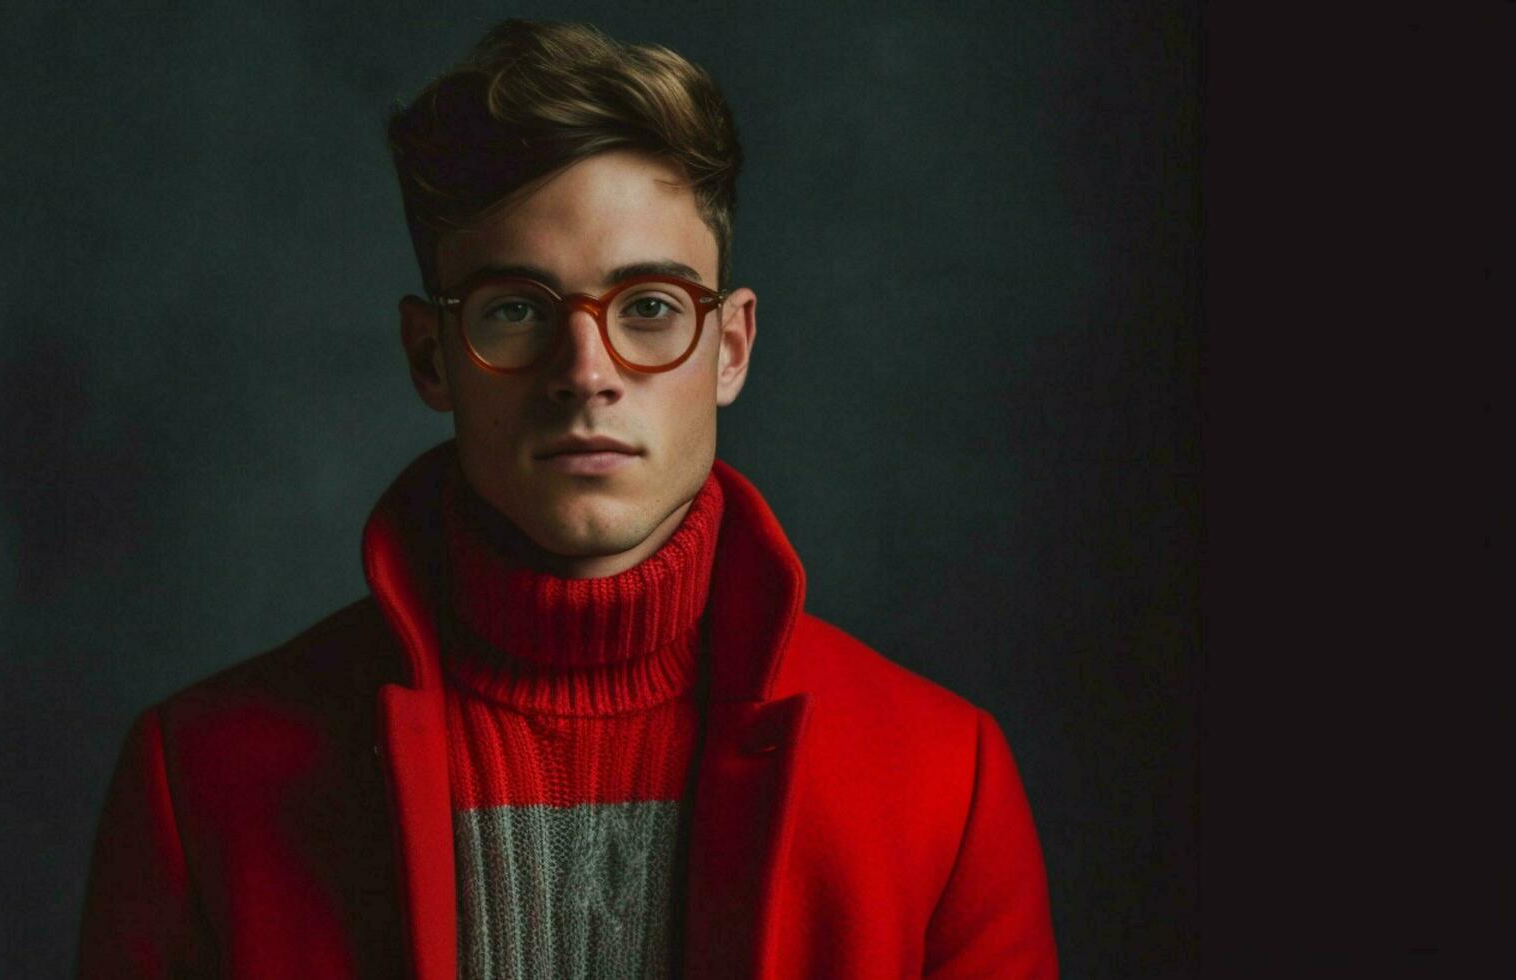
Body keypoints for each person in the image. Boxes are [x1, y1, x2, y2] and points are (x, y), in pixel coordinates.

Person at [77, 18, 1058, 979]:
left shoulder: (944, 780)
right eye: (516, 309)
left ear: (731, 347)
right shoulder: (199, 775)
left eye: (650, 308)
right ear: (431, 353)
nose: (586, 372)